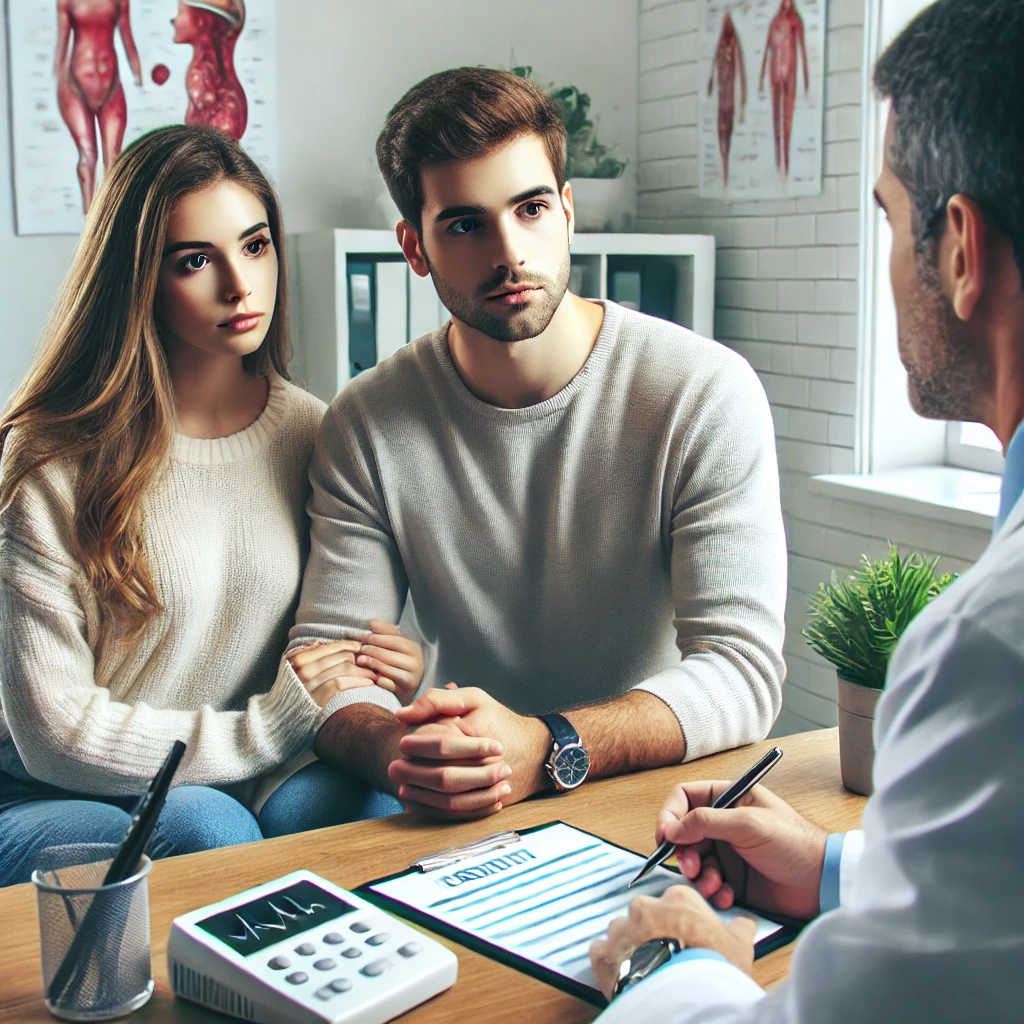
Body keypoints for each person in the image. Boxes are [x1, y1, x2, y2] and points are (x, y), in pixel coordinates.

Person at [588, 1, 1024, 1018]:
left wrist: (680, 966)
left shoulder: (992, 647)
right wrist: (834, 870)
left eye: (885, 213)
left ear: (959, 246)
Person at [287, 68, 787, 822]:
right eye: (464, 224)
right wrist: (407, 751)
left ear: (568, 212)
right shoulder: (367, 421)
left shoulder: (702, 391)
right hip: (469, 800)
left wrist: (546, 745)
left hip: (647, 785)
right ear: (413, 248)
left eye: (530, 209)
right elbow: (327, 668)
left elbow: (742, 672)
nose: (509, 251)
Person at [0, 125, 416, 888]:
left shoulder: (315, 432)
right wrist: (264, 730)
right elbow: (52, 734)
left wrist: (387, 671)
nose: (241, 284)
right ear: (136, 279)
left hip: (256, 766)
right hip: (55, 788)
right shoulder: (53, 457)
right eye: (196, 261)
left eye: (256, 246)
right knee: (208, 827)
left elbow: (325, 656)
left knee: (376, 807)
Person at [54, 0, 143, 213]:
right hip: (76, 85)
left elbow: (126, 36)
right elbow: (62, 44)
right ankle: (89, 223)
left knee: (113, 160)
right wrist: (57, 76)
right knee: (87, 158)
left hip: (110, 85)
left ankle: (110, 219)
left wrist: (138, 72)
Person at [173, 0, 248, 140]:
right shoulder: (215, 59)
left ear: (200, 21)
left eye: (180, 13)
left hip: (215, 137)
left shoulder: (199, 71)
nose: (174, 21)